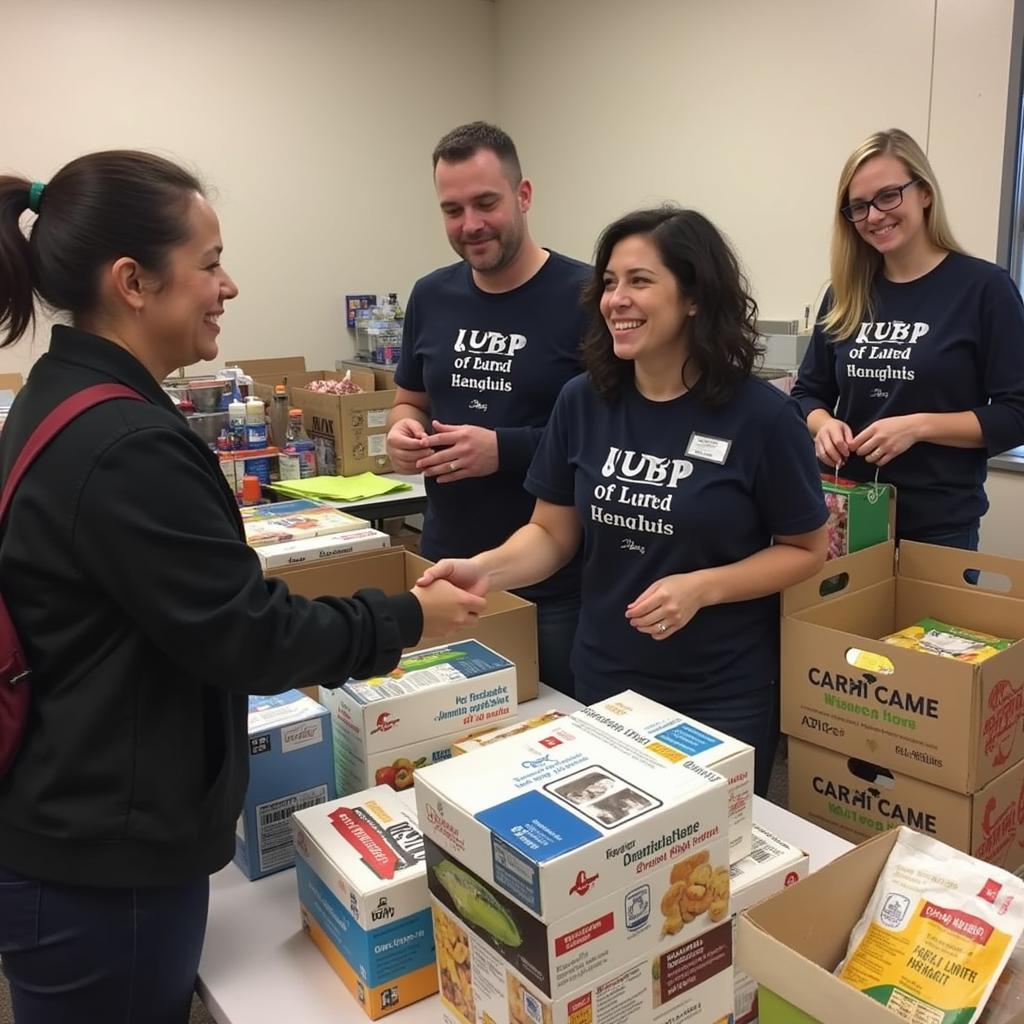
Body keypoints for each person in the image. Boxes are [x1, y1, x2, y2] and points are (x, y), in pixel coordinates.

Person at [0, 150, 486, 1024]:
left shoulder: (64, 395)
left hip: (76, 816)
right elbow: (249, 636)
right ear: (134, 282)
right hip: (102, 866)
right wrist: (409, 616)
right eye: (211, 262)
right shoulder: (123, 444)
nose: (229, 285)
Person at [417, 207, 829, 796]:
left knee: (715, 867)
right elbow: (553, 534)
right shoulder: (583, 402)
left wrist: (702, 587)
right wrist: (483, 568)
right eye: (609, 283)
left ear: (693, 297)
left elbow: (806, 550)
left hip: (721, 687)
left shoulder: (760, 415)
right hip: (607, 673)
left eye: (640, 281)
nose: (617, 299)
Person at [386, 121, 589, 697]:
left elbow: (606, 435)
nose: (470, 225)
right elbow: (410, 400)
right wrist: (403, 429)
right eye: (452, 209)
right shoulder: (431, 294)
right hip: (446, 564)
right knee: (452, 738)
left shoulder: (585, 296)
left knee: (557, 737)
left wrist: (504, 450)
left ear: (523, 195)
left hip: (553, 582)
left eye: (485, 203)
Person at [791, 128, 1024, 548]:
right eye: (858, 206)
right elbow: (807, 393)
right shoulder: (845, 293)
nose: (874, 216)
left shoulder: (984, 289)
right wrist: (823, 426)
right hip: (849, 516)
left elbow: (1016, 413)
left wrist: (918, 427)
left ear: (925, 194)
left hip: (938, 529)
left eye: (888, 195)